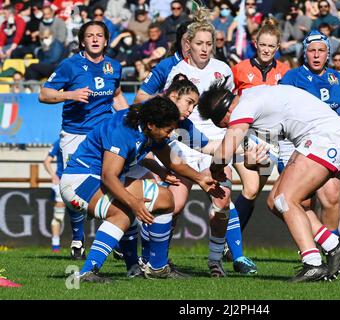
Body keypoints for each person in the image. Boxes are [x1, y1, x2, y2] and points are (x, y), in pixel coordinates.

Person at [198, 82, 340, 282]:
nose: (229, 127)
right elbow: (261, 161)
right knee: (274, 202)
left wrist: (214, 171)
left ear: (227, 111)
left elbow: (224, 153)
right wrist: (250, 160)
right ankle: (332, 244)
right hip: (320, 137)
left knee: (285, 199)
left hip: (325, 137)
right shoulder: (253, 100)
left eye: (226, 124)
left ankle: (313, 263)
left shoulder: (244, 107)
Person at [59, 96, 222, 282]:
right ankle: (88, 271)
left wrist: (200, 178)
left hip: (96, 180)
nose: (170, 135)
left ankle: (156, 268)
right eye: (168, 130)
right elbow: (109, 176)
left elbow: (172, 161)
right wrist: (133, 203)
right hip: (79, 182)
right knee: (123, 213)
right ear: (152, 125)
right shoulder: (123, 130)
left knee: (165, 199)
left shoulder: (148, 127)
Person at [162, 6, 257, 276]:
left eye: (209, 44)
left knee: (222, 202)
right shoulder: (177, 72)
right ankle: (159, 259)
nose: (204, 49)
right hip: (184, 144)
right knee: (175, 206)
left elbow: (232, 110)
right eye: (199, 44)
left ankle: (216, 261)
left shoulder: (223, 70)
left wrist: (235, 140)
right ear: (188, 45)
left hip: (214, 143)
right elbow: (171, 111)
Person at [39, 21, 129, 260]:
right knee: (76, 191)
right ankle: (78, 238)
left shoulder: (114, 67)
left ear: (107, 40)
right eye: (90, 36)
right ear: (82, 41)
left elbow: (117, 96)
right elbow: (44, 94)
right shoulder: (70, 65)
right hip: (75, 135)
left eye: (100, 35)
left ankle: (114, 233)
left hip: (104, 134)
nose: (95, 39)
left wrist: (129, 121)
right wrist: (70, 94)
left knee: (113, 181)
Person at [279, 31, 340, 235]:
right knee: (302, 200)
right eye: (311, 50)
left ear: (327, 53)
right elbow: (279, 106)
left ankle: (332, 251)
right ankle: (311, 249)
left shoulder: (338, 78)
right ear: (305, 53)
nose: (316, 55)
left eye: (321, 51)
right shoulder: (292, 77)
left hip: (330, 142)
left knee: (331, 197)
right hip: (301, 144)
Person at [225, 17, 289, 260]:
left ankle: (230, 243)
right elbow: (227, 103)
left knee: (253, 192)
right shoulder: (239, 69)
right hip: (247, 135)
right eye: (263, 45)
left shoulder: (285, 72)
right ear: (255, 43)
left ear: (278, 47)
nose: (266, 50)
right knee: (250, 189)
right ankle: (228, 245)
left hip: (273, 140)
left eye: (271, 46)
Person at [43, 138, 65, 253]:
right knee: (59, 214)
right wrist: (53, 175)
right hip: (61, 181)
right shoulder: (59, 142)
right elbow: (47, 161)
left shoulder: (83, 140)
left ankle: (79, 244)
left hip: (77, 181)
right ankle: (55, 245)